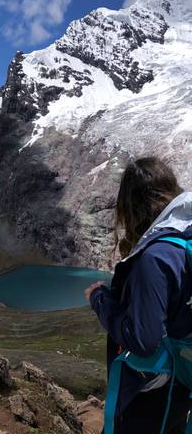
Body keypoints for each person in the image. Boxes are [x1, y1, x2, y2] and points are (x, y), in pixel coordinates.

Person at [85, 157, 192, 433]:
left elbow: (143, 339)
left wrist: (100, 301)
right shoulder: (185, 238)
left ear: (132, 205)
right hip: (181, 382)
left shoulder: (156, 257)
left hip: (150, 390)